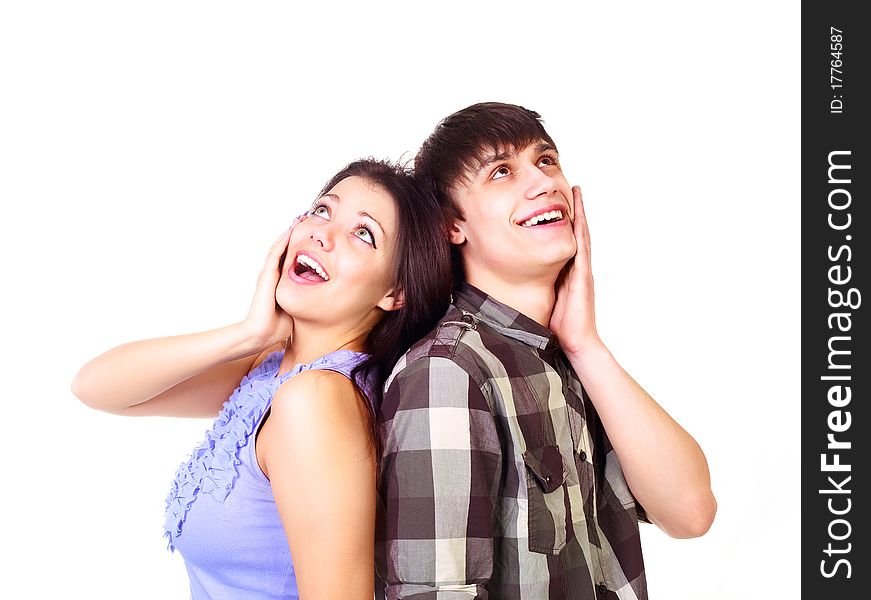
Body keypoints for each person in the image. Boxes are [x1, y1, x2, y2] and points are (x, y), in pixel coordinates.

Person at [375, 103, 717, 599]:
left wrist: (587, 346)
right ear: (454, 224)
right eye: (501, 172)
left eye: (546, 160)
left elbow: (691, 511)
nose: (542, 182)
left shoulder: (565, 359)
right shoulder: (448, 372)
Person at [72, 159, 452, 600]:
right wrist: (249, 333)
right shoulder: (270, 367)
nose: (320, 234)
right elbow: (96, 387)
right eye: (322, 210)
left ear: (396, 292)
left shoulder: (315, 399)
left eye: (363, 234)